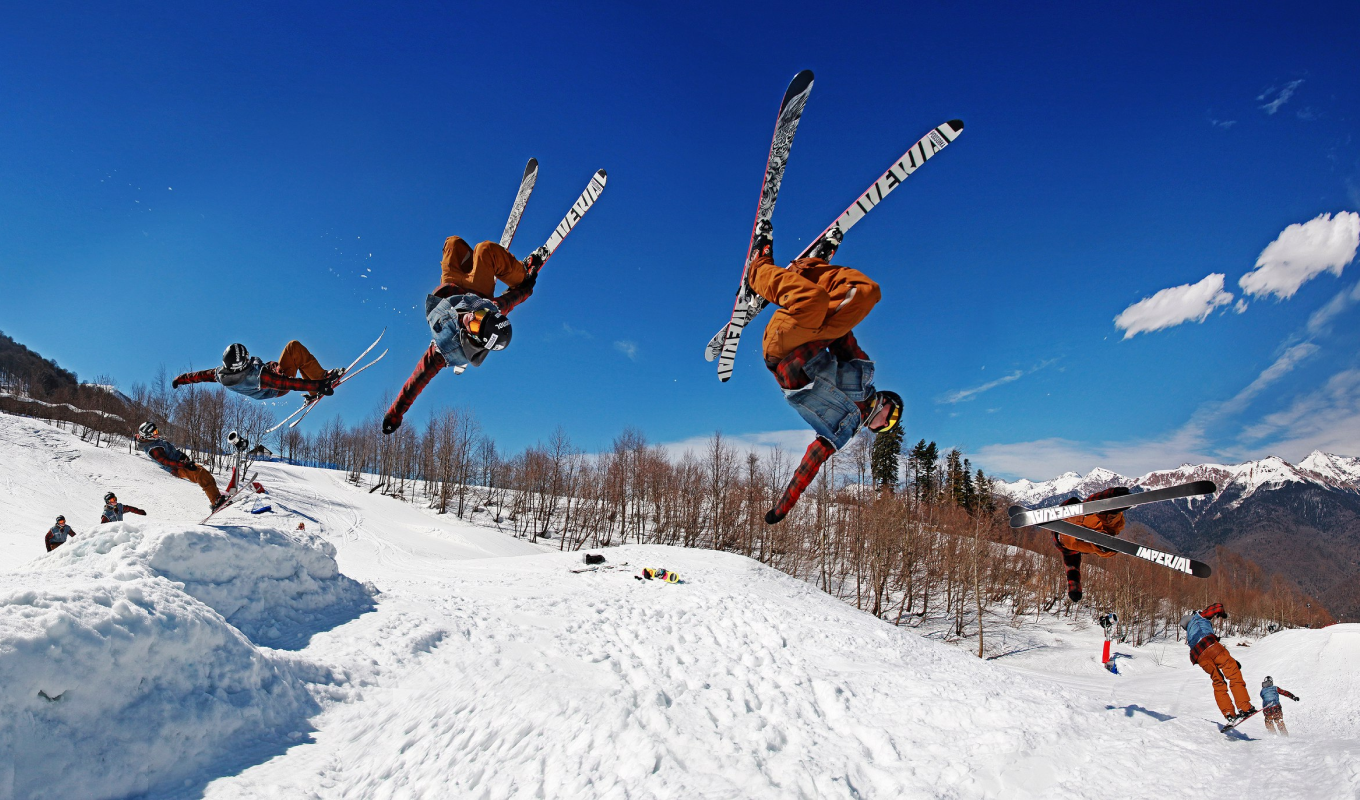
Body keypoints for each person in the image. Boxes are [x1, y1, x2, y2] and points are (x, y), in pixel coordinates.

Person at [737, 225, 904, 524]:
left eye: (884, 428)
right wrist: (839, 298)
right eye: (891, 417)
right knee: (868, 292)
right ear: (887, 401)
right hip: (812, 333)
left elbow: (808, 468)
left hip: (782, 350)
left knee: (812, 302)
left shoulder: (840, 433)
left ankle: (758, 271)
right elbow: (843, 336)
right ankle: (811, 269)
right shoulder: (863, 372)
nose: (884, 424)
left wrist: (783, 507)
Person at [381, 235, 542, 434]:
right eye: (480, 315)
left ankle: (488, 265)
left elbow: (416, 381)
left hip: (451, 288)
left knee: (453, 244)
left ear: (473, 337)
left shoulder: (444, 350)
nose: (472, 315)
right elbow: (512, 299)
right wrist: (526, 284)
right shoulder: (488, 308)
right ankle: (519, 273)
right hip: (474, 291)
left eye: (474, 324)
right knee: (484, 250)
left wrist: (395, 413)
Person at [172, 341, 341, 401]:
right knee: (293, 348)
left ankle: (313, 388)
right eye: (246, 357)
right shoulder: (256, 377)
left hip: (273, 380)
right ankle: (321, 378)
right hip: (278, 387)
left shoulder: (222, 374)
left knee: (291, 357)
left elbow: (200, 376)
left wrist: (181, 379)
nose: (249, 357)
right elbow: (288, 383)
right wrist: (320, 385)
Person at [1050, 486, 1132, 602]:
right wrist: (1110, 494)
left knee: (1108, 527)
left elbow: (1072, 568)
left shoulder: (1084, 516)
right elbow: (1072, 568)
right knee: (1106, 529)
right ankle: (1105, 542)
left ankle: (1110, 519)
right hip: (1066, 538)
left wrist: (1111, 495)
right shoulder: (1069, 541)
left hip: (1073, 535)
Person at [1181, 603, 1256, 722]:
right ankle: (1245, 707)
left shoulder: (1189, 633)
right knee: (1233, 674)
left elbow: (1207, 654)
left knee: (1218, 682)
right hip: (1211, 645)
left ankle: (1229, 714)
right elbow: (1217, 607)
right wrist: (1222, 614)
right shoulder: (1199, 616)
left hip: (1200, 657)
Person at [134, 422, 227, 511]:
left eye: (157, 430)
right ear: (147, 436)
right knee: (200, 474)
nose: (157, 433)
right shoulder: (153, 449)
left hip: (180, 463)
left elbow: (171, 452)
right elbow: (166, 462)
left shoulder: (153, 441)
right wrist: (185, 464)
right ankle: (215, 501)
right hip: (177, 468)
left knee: (204, 472)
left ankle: (216, 495)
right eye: (154, 432)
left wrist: (184, 459)